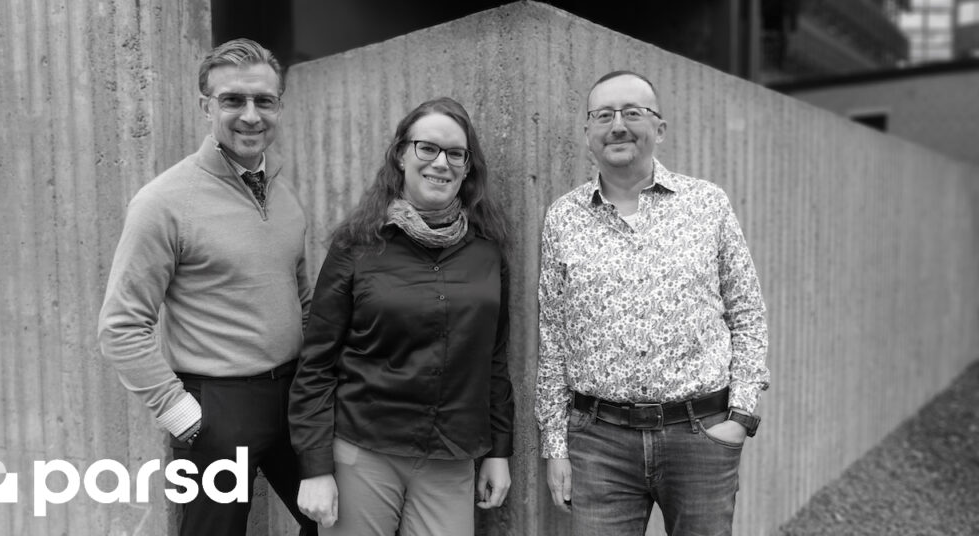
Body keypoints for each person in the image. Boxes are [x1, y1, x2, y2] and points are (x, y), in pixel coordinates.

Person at [535, 70, 770, 535]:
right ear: (588, 133)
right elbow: (553, 334)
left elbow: (747, 312)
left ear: (659, 129)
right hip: (598, 443)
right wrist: (555, 445)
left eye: (632, 112)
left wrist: (740, 417)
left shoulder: (707, 204)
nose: (617, 125)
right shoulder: (563, 217)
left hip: (699, 433)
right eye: (603, 115)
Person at [97, 38, 316, 536]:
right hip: (216, 411)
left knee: (339, 520)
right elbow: (121, 326)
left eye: (264, 100)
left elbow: (302, 298)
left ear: (279, 105)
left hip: (294, 397)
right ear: (206, 107)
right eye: (232, 100)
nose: (251, 115)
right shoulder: (162, 202)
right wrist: (184, 416)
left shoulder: (284, 193)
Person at [289, 97, 514, 536]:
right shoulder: (356, 245)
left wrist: (499, 451)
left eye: (455, 153)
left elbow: (495, 361)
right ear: (401, 155)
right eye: (426, 148)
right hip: (363, 451)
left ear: (468, 168)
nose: (441, 163)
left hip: (451, 456)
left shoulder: (488, 252)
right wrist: (314, 467)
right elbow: (316, 364)